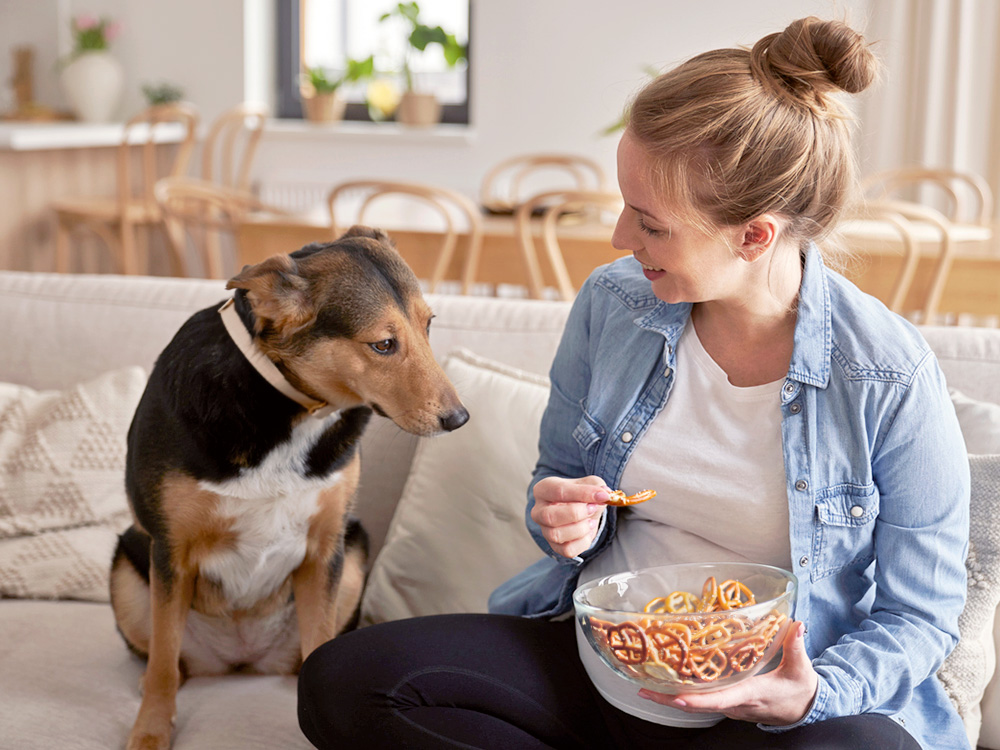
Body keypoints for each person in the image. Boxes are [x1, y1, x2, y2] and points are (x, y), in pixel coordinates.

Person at [297, 16, 970, 750]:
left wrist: (815, 691)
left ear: (754, 236)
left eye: (651, 225)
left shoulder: (886, 376)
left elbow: (921, 616)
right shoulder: (614, 306)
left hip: (760, 708)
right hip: (604, 665)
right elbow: (557, 480)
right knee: (345, 683)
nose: (621, 238)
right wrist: (561, 521)